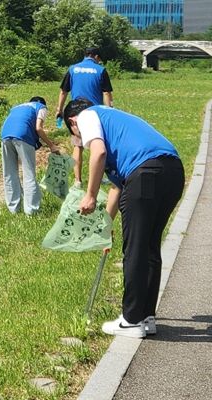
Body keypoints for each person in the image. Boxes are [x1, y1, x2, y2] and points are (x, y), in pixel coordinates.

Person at [64, 99, 184, 338]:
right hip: (173, 173)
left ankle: (131, 320)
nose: (82, 142)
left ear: (72, 122)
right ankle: (146, 317)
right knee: (149, 246)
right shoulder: (116, 120)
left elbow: (97, 153)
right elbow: (119, 187)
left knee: (135, 249)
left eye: (76, 137)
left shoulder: (87, 116)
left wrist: (89, 195)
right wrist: (106, 224)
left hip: (145, 173)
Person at [56, 48, 114, 187]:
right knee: (100, 146)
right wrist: (110, 110)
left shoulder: (72, 69)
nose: (99, 61)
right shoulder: (100, 70)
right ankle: (99, 178)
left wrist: (60, 109)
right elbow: (106, 93)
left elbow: (63, 91)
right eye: (99, 58)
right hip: (95, 113)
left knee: (78, 146)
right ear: (96, 56)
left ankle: (77, 181)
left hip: (76, 112)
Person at [0, 96, 60, 216]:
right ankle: (31, 210)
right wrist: (51, 145)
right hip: (23, 136)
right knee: (28, 173)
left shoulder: (17, 107)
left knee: (9, 173)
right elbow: (38, 128)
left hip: (5, 135)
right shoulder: (41, 107)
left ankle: (13, 210)